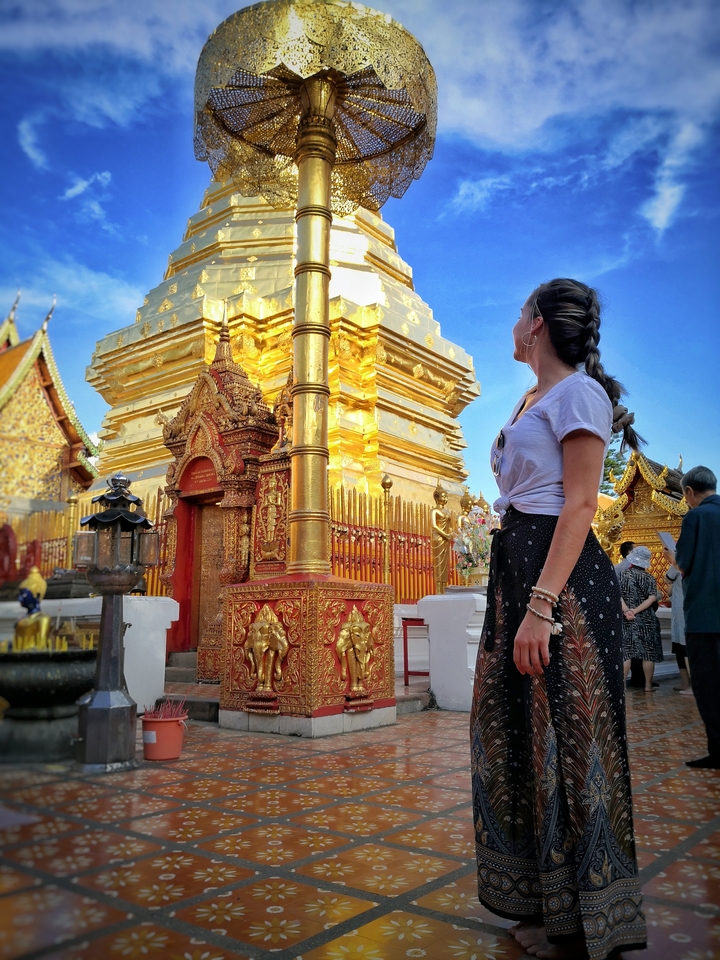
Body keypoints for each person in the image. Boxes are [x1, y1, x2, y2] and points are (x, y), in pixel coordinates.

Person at [471, 278, 646, 960]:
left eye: (519, 311)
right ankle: (545, 902)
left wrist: (541, 606)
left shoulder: (579, 393)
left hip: (560, 579)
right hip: (519, 566)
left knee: (569, 741)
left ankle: (583, 917)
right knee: (518, 734)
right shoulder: (529, 399)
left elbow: (579, 504)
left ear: (537, 323)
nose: (512, 323)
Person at [675, 465, 720, 769]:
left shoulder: (696, 516)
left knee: (709, 685)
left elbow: (684, 562)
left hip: (706, 616)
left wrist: (673, 558)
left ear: (689, 492)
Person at [619, 546, 663, 691]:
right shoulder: (649, 578)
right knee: (648, 653)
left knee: (626, 652)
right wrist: (636, 611)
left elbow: (617, 597)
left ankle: (622, 686)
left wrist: (627, 611)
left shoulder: (622, 575)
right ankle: (648, 686)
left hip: (627, 619)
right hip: (646, 618)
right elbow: (652, 598)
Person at [663, 545, 692, 695]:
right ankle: (685, 682)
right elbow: (668, 581)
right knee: (680, 649)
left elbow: (669, 579)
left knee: (686, 648)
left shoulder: (686, 564)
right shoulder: (678, 565)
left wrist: (674, 561)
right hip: (678, 612)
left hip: (685, 611)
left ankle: (693, 686)